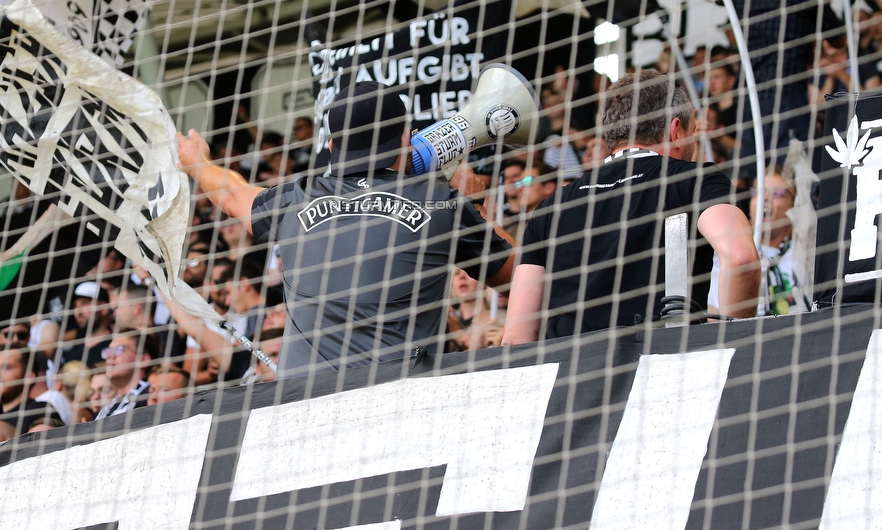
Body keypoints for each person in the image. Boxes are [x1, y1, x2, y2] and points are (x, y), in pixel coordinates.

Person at [177, 81, 515, 376]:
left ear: (331, 145)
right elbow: (519, 276)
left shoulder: (295, 199)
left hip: (301, 404)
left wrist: (198, 163)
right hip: (399, 402)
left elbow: (234, 194)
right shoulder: (441, 202)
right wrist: (475, 207)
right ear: (405, 140)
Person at [504, 71, 761, 343]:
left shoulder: (551, 207)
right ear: (675, 130)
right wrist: (732, 346)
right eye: (693, 132)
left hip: (570, 374)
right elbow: (741, 258)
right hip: (663, 367)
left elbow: (515, 337)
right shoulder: (695, 179)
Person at [636, 0, 843, 178]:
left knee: (757, 175)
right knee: (797, 174)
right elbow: (839, 40)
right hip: (788, 99)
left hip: (751, 103)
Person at [708, 168, 808, 315]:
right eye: (758, 192)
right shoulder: (725, 250)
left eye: (777, 193)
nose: (765, 198)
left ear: (794, 205)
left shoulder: (807, 256)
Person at [94, 331, 159, 419]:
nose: (109, 355)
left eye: (118, 349)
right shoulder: (108, 407)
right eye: (108, 351)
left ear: (143, 360)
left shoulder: (151, 397)